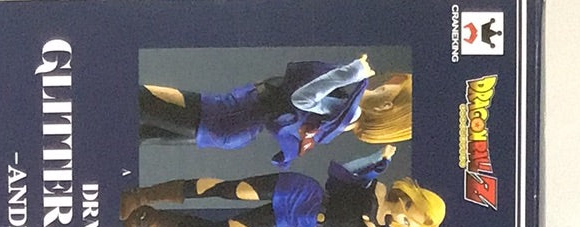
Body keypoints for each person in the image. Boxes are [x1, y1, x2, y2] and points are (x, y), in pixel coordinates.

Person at [120, 146, 444, 227]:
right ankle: (141, 195)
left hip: (292, 219)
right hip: (300, 192)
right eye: (412, 211)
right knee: (225, 190)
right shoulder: (376, 187)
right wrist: (378, 158)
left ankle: (148, 218)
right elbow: (345, 173)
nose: (406, 219)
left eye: (412, 224)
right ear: (411, 198)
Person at [139, 55, 412, 166]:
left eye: (395, 87)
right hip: (231, 122)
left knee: (140, 101)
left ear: (386, 105)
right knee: (140, 127)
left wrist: (352, 72)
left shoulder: (346, 112)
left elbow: (302, 99)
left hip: (228, 116)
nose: (390, 82)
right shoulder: (346, 117)